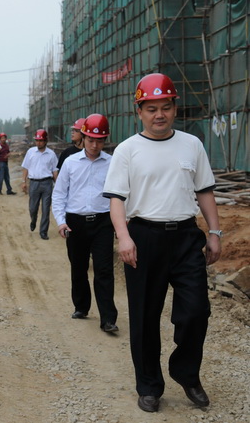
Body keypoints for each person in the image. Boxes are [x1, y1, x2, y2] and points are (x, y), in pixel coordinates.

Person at [102, 73, 222, 413]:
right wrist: (124, 237)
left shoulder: (191, 145)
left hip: (185, 237)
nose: (159, 115)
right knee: (144, 316)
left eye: (165, 107)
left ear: (175, 109)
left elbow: (204, 192)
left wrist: (215, 232)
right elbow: (117, 199)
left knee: (196, 311)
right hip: (144, 238)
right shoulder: (127, 150)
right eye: (151, 108)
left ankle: (186, 373)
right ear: (139, 111)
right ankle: (149, 386)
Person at [51, 114, 118, 332]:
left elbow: (120, 195)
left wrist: (121, 223)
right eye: (91, 140)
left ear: (105, 140)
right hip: (75, 222)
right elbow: (59, 194)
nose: (95, 145)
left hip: (103, 222)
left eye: (99, 141)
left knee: (104, 269)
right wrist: (61, 222)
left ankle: (108, 318)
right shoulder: (70, 163)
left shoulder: (112, 163)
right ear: (83, 137)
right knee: (78, 267)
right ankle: (81, 306)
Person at [21, 129, 58, 239]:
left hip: (47, 183)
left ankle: (43, 231)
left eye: (41, 141)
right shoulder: (30, 152)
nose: (38, 143)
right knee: (33, 207)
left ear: (46, 141)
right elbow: (25, 167)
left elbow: (55, 171)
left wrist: (58, 185)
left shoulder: (51, 154)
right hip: (34, 183)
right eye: (37, 140)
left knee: (46, 209)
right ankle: (33, 220)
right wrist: (24, 181)